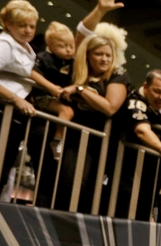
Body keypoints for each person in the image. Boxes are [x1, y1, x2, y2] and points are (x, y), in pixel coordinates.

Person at [54, 2, 129, 212]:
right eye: (99, 54)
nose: (104, 59)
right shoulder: (78, 69)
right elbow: (82, 33)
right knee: (65, 184)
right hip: (73, 137)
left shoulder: (118, 75)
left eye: (108, 55)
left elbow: (110, 107)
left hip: (100, 143)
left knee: (87, 190)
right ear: (88, 55)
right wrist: (100, 10)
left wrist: (80, 90)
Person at [0, 1, 53, 199]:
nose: (28, 30)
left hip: (13, 116)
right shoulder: (2, 44)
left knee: (1, 172)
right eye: (22, 25)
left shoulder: (27, 48)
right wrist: (15, 99)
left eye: (32, 26)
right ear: (8, 24)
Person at [115, 68, 161, 220]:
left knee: (145, 211)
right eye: (157, 92)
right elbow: (142, 130)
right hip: (128, 166)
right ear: (145, 87)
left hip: (154, 170)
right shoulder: (135, 101)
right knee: (125, 209)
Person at [31, 21, 75, 160]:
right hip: (41, 97)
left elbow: (80, 81)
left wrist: (71, 89)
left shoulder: (73, 62)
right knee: (66, 111)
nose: (68, 50)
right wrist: (50, 87)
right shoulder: (44, 58)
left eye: (71, 46)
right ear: (50, 46)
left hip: (61, 97)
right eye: (62, 46)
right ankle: (58, 141)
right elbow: (32, 72)